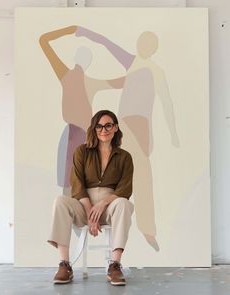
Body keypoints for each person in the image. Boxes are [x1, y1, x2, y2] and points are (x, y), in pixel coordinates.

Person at [76, 27, 180, 251]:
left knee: (143, 177)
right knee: (117, 171)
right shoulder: (132, 62)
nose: (143, 45)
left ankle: (148, 229)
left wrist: (173, 133)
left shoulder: (157, 71)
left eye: (148, 43)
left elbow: (167, 102)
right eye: (142, 41)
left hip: (140, 127)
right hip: (122, 124)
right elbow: (107, 43)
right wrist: (86, 32)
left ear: (153, 48)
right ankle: (104, 216)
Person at [48, 110, 134, 286]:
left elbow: (124, 188)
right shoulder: (82, 151)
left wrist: (103, 203)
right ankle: (64, 264)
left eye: (108, 125)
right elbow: (77, 185)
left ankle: (115, 265)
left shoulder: (125, 157)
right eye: (99, 126)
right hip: (84, 205)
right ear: (94, 129)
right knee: (60, 201)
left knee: (124, 203)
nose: (104, 130)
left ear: (116, 127)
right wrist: (90, 214)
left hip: (110, 207)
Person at [39, 26, 125, 194]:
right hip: (75, 135)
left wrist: (69, 30)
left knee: (78, 184)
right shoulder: (83, 80)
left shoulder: (69, 76)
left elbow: (44, 41)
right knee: (72, 183)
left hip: (82, 137)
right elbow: (119, 82)